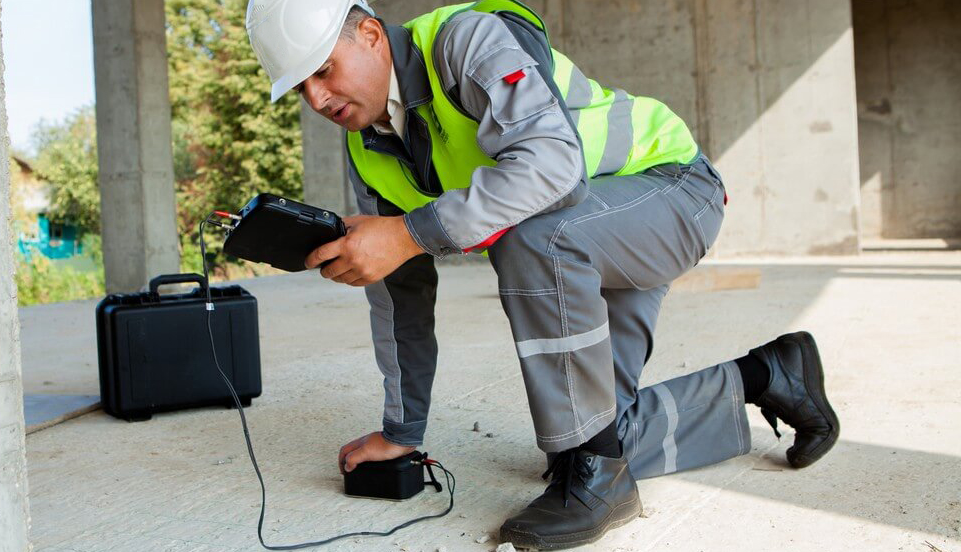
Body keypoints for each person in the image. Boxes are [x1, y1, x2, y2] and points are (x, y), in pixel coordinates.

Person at [245, 0, 840, 548]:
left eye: (324, 70)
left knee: (532, 238)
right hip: (585, 235)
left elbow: (554, 166)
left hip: (670, 189)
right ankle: (771, 374)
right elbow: (398, 296)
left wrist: (406, 233)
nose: (318, 99)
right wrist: (403, 430)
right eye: (301, 87)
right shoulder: (367, 148)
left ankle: (599, 485)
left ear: (371, 34)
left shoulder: (465, 43)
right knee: (600, 433)